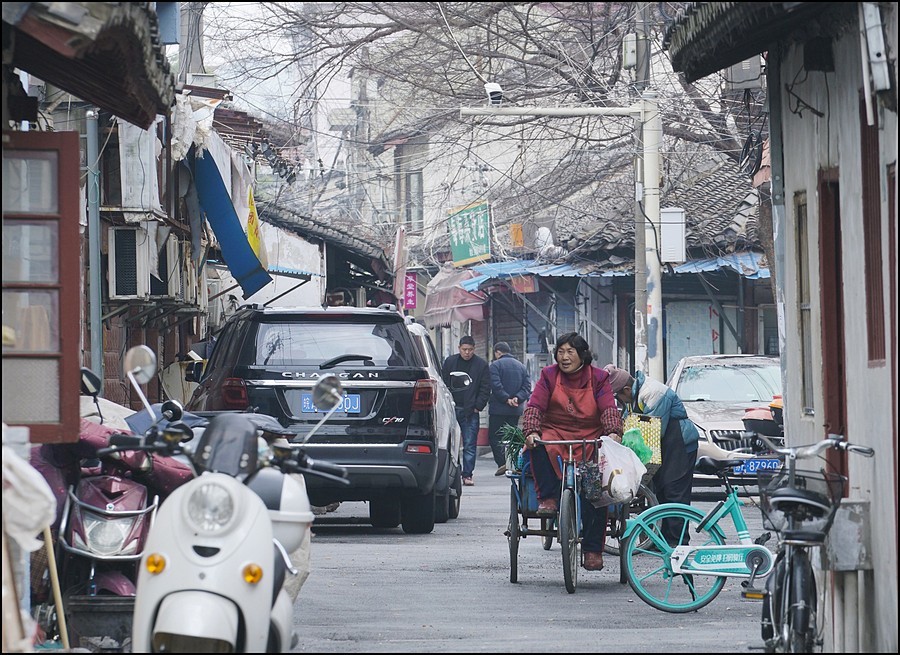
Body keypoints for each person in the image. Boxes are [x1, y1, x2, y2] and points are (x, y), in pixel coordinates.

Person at [522, 332, 623, 571]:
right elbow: (535, 405)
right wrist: (531, 430)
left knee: (594, 495)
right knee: (536, 445)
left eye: (570, 352)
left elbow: (608, 408)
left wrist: (613, 432)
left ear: (582, 355)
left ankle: (592, 550)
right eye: (561, 352)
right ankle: (548, 497)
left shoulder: (598, 378)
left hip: (589, 438)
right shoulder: (548, 375)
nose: (564, 357)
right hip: (556, 433)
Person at [603, 365, 700, 546]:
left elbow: (653, 429)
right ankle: (660, 541)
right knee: (661, 492)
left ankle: (677, 542)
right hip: (663, 446)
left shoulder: (653, 393)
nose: (619, 401)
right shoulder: (633, 395)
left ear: (625, 390)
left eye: (618, 397)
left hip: (679, 443)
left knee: (675, 493)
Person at [441, 336, 491, 486]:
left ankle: (467, 475)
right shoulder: (450, 362)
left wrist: (478, 406)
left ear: (474, 349)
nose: (467, 353)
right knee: (448, 444)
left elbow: (485, 387)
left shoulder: (481, 365)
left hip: (471, 410)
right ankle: (450, 473)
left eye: (470, 350)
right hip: (451, 408)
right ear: (459, 348)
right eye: (464, 350)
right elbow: (443, 382)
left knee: (470, 444)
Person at [488, 342, 531, 476]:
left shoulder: (495, 365)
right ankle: (514, 462)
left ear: (498, 352)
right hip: (515, 409)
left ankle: (502, 463)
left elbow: (496, 385)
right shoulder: (521, 367)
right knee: (512, 435)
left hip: (498, 409)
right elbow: (527, 387)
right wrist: (517, 399)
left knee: (495, 437)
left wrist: (506, 399)